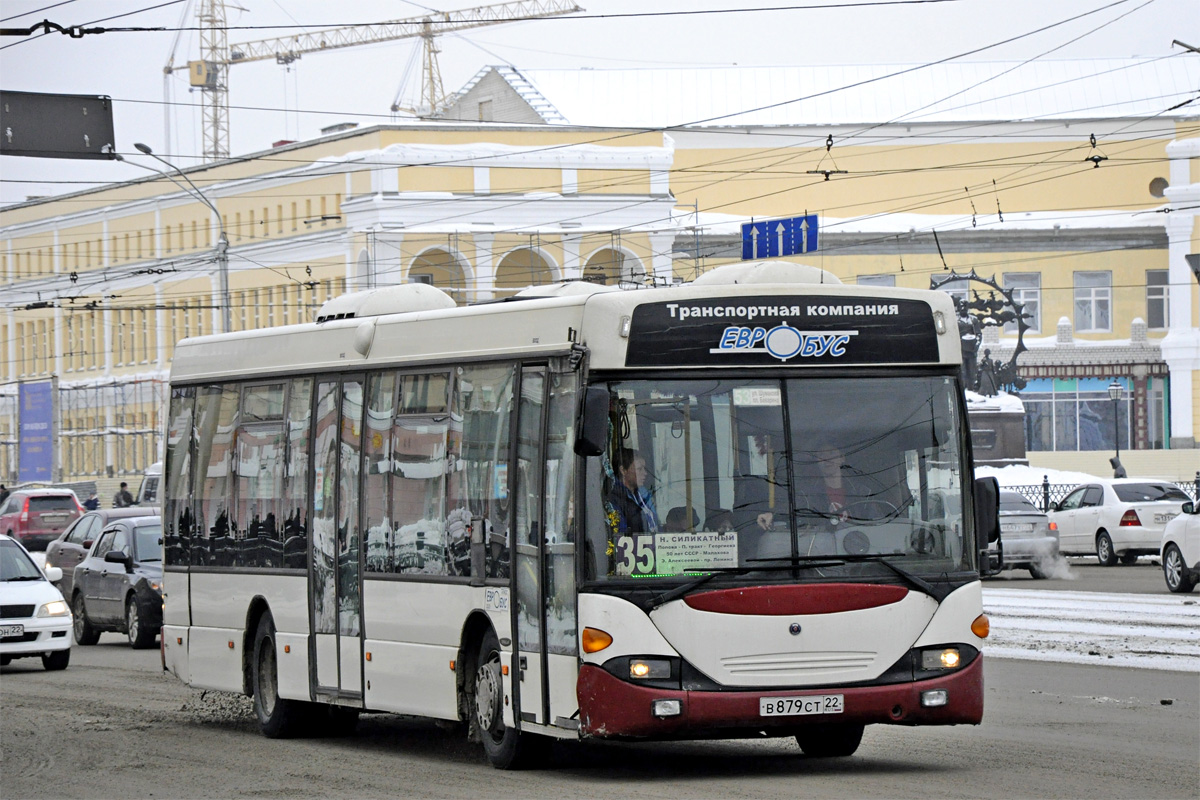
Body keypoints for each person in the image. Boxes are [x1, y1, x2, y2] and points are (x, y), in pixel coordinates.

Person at [608, 447, 660, 534]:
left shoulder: (643, 493)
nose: (645, 473)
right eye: (639, 469)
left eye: (644, 469)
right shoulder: (615, 499)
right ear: (623, 470)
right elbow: (621, 534)